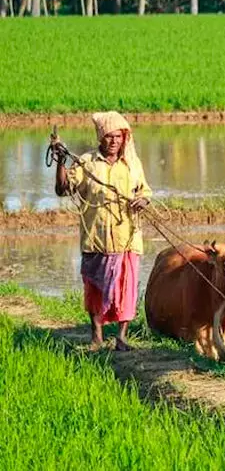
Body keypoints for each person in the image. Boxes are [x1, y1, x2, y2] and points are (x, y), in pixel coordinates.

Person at [52, 111, 152, 351]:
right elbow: (63, 189)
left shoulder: (132, 164)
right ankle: (97, 336)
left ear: (124, 138)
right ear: (100, 138)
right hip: (96, 238)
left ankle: (122, 337)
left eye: (118, 136)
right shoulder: (86, 163)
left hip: (127, 237)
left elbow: (145, 191)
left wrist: (143, 201)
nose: (114, 141)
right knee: (95, 288)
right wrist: (60, 161)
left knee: (125, 288)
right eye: (109, 137)